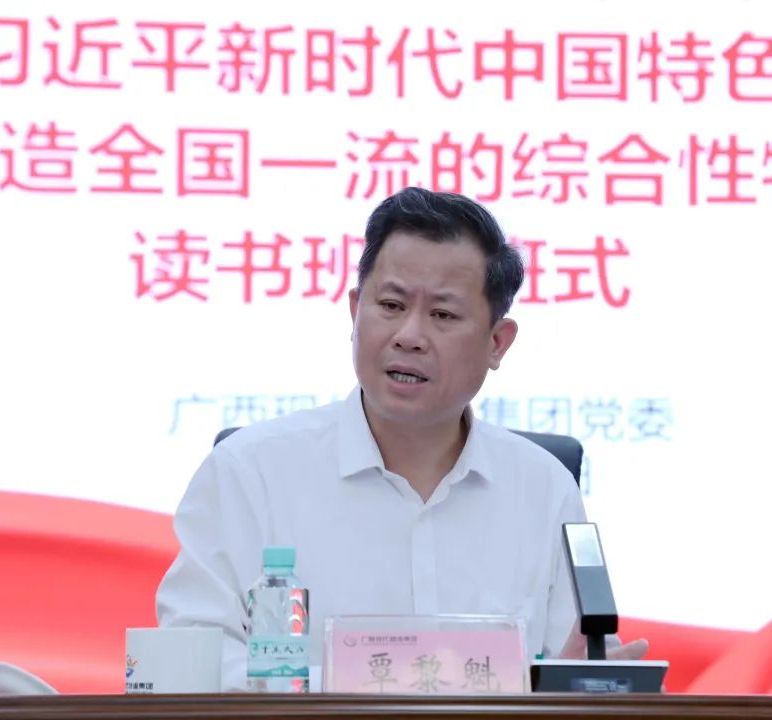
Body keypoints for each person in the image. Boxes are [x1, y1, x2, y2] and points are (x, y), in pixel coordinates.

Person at [155, 187, 647, 689]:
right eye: (391, 305)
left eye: (443, 315)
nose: (409, 335)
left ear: (497, 343)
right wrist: (373, 686)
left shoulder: (545, 489)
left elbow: (575, 666)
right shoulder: (249, 472)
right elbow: (193, 659)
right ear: (355, 312)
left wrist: (590, 680)